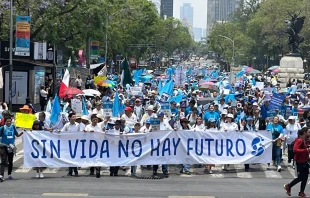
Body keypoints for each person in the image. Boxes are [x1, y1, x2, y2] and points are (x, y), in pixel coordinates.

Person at [284, 128, 309, 198]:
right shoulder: (299, 140)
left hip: (304, 161)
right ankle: (288, 186)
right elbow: (295, 150)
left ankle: (301, 192)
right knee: (301, 177)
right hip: (299, 161)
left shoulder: (305, 140)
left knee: (305, 177)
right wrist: (305, 150)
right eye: (308, 132)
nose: (309, 133)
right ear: (304, 132)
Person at [0, 117, 23, 181]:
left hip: (11, 147)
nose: (9, 122)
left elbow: (17, 135)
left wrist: (23, 132)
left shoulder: (13, 127)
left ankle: (9, 174)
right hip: (3, 147)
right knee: (3, 161)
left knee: (10, 161)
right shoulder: (2, 128)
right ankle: (1, 175)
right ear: (5, 122)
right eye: (7, 121)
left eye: (10, 121)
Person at [85, 114, 103, 178]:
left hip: (99, 144)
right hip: (90, 145)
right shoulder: (87, 127)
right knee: (91, 157)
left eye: (96, 119)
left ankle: (98, 170)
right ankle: (92, 170)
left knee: (98, 157)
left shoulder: (100, 125)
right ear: (91, 120)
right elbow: (84, 133)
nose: (95, 121)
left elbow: (106, 121)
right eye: (94, 120)